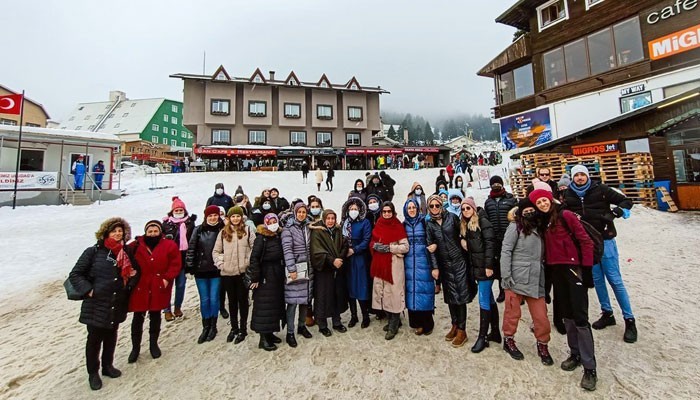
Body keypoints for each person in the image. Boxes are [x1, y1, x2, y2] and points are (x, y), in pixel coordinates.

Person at [530, 188, 597, 391]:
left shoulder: (566, 215)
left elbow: (585, 241)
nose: (542, 204)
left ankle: (590, 367)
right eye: (538, 203)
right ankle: (575, 353)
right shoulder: (543, 221)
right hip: (557, 271)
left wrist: (586, 270)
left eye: (544, 200)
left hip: (573, 269)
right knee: (566, 315)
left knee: (580, 317)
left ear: (550, 199)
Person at [563, 164, 636, 343]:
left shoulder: (600, 189)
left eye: (582, 175)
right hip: (586, 245)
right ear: (572, 177)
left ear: (587, 176)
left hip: (606, 239)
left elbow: (626, 201)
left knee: (615, 279)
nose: (580, 178)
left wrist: (615, 213)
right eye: (576, 175)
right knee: (597, 280)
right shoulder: (568, 195)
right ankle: (607, 313)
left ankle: (629, 319)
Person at [69, 217, 139, 391]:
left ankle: (108, 366)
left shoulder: (126, 252)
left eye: (120, 231)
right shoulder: (93, 252)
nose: (117, 234)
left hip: (117, 302)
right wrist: (88, 290)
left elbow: (135, 273)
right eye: (114, 231)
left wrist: (129, 282)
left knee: (111, 335)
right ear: (106, 233)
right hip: (97, 302)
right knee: (94, 339)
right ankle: (93, 372)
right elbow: (76, 274)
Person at [500, 198, 553, 365]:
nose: (529, 213)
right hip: (516, 276)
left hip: (536, 277)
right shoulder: (515, 227)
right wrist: (506, 275)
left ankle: (542, 343)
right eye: (526, 211)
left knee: (541, 316)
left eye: (532, 210)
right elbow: (506, 250)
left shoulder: (541, 226)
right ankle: (509, 339)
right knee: (512, 312)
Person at [127, 220, 181, 363]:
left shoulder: (169, 245)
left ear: (160, 232)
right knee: (138, 318)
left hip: (158, 285)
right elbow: (124, 256)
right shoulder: (136, 245)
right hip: (141, 286)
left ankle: (153, 344)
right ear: (145, 232)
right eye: (150, 231)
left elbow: (175, 263)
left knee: (155, 315)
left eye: (155, 231)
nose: (152, 234)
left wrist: (167, 278)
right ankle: (135, 348)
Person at [425, 195, 469, 347]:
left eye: (437, 205)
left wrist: (463, 239)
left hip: (458, 261)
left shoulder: (452, 218)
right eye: (432, 206)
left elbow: (462, 232)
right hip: (444, 263)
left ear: (442, 205)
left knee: (461, 295)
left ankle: (462, 330)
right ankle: (454, 325)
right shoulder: (430, 224)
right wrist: (435, 267)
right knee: (450, 295)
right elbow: (430, 247)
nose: (435, 208)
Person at [459, 197, 500, 353]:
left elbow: (490, 244)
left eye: (468, 208)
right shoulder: (466, 225)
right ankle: (495, 332)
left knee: (483, 300)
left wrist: (489, 266)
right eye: (463, 209)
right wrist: (463, 240)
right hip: (477, 267)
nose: (465, 211)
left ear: (474, 208)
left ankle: (482, 337)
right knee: (489, 298)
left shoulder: (483, 222)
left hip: (485, 268)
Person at [214, 206, 256, 344]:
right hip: (227, 273)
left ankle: (243, 328)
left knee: (243, 301)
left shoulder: (248, 230)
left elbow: (253, 248)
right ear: (229, 218)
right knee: (231, 301)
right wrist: (221, 264)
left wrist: (247, 262)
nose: (236, 219)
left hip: (242, 272)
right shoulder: (223, 232)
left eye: (238, 216)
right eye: (233, 216)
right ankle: (234, 327)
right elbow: (216, 251)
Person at [246, 213, 286, 351]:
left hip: (276, 275)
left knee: (274, 306)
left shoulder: (278, 236)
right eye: (271, 221)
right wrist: (255, 278)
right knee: (264, 306)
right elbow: (254, 259)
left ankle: (270, 334)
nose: (274, 223)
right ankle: (263, 338)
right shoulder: (261, 238)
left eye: (275, 221)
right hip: (265, 277)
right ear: (266, 223)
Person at [370, 201, 409, 340]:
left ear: (393, 212)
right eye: (384, 211)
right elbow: (372, 241)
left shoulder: (397, 226)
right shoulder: (378, 224)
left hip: (394, 264)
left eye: (389, 211)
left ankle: (394, 323)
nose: (387, 214)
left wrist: (390, 248)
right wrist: (375, 246)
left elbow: (405, 247)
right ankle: (393, 320)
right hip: (381, 265)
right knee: (384, 293)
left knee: (394, 294)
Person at [186, 205, 225, 343]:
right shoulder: (198, 230)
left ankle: (213, 326)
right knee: (204, 299)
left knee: (214, 298)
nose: (213, 218)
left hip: (216, 270)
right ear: (206, 217)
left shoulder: (223, 229)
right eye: (210, 216)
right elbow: (191, 249)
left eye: (215, 215)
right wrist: (189, 267)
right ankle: (206, 326)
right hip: (201, 270)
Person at [310, 209, 349, 335]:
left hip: (337, 269)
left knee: (336, 295)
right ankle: (322, 324)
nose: (331, 221)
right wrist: (332, 260)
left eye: (333, 218)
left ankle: (337, 322)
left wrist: (340, 258)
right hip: (324, 270)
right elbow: (317, 251)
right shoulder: (317, 232)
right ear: (324, 219)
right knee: (323, 296)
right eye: (328, 218)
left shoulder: (338, 230)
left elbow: (344, 245)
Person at [281, 202, 315, 347]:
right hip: (295, 269)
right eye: (299, 212)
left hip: (308, 268)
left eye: (304, 212)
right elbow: (287, 250)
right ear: (295, 213)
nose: (302, 214)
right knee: (293, 302)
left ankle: (302, 326)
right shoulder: (288, 229)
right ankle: (290, 332)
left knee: (305, 300)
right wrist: (292, 268)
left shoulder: (308, 226)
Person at [161, 196, 196, 322]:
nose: (179, 212)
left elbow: (193, 240)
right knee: (167, 286)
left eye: (181, 209)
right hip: (169, 262)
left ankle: (177, 307)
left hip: (183, 260)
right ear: (172, 211)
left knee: (181, 285)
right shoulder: (166, 224)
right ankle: (166, 310)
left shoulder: (189, 223)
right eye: (177, 210)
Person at [484, 175, 518, 303]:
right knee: (499, 264)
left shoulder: (510, 199)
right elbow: (486, 218)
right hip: (495, 238)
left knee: (513, 263)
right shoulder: (489, 202)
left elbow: (516, 216)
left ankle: (516, 292)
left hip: (509, 235)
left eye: (498, 183)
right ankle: (502, 290)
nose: (496, 185)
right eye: (493, 184)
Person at [403, 198, 434, 336]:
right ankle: (416, 323)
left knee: (424, 292)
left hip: (424, 263)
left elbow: (431, 238)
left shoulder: (424, 222)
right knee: (412, 294)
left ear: (417, 208)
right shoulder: (403, 225)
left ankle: (427, 323)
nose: (411, 210)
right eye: (409, 208)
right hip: (409, 264)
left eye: (413, 207)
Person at [341, 197, 372, 328]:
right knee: (350, 287)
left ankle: (365, 316)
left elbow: (367, 239)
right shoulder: (344, 223)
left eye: (355, 209)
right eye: (351, 209)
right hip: (347, 258)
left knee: (361, 286)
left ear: (360, 210)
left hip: (359, 258)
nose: (353, 211)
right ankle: (354, 316)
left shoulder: (365, 222)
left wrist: (355, 250)